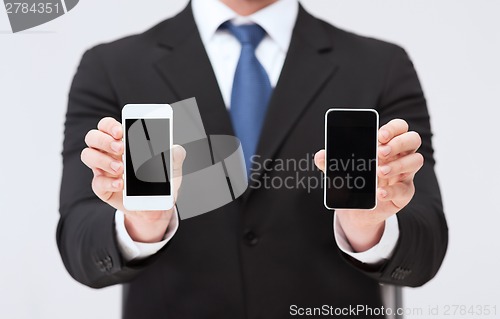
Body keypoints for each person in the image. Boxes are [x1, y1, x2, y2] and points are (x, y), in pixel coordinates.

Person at [57, 0, 448, 318]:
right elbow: (81, 243)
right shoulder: (113, 67)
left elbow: (426, 245)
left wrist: (367, 229)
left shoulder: (379, 66)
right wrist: (142, 225)